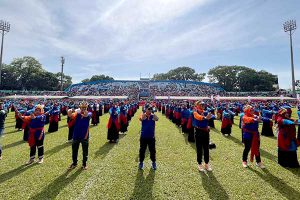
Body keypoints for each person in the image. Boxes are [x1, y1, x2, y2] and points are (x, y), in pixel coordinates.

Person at [68, 101, 92, 170]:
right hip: (76, 135)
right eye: (82, 107)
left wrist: (81, 112)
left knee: (85, 151)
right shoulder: (76, 114)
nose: (83, 109)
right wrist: (70, 111)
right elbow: (70, 115)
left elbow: (86, 114)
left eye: (85, 107)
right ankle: (74, 163)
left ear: (87, 108)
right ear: (80, 107)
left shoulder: (89, 113)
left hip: (85, 135)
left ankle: (84, 164)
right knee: (74, 150)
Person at [192, 101, 214, 172]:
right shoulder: (195, 112)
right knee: (199, 149)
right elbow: (198, 117)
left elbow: (211, 116)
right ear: (197, 105)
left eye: (203, 104)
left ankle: (206, 163)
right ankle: (199, 164)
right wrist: (205, 118)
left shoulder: (205, 112)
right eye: (201, 104)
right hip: (198, 132)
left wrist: (216, 117)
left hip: (205, 132)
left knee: (206, 148)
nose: (203, 105)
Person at [138, 105, 159, 170]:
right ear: (145, 109)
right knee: (142, 150)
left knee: (152, 150)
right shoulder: (143, 115)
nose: (149, 110)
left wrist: (153, 114)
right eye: (148, 109)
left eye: (150, 109)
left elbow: (157, 119)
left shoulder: (153, 115)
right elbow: (141, 119)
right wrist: (145, 115)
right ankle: (141, 162)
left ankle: (153, 162)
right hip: (143, 136)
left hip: (151, 136)